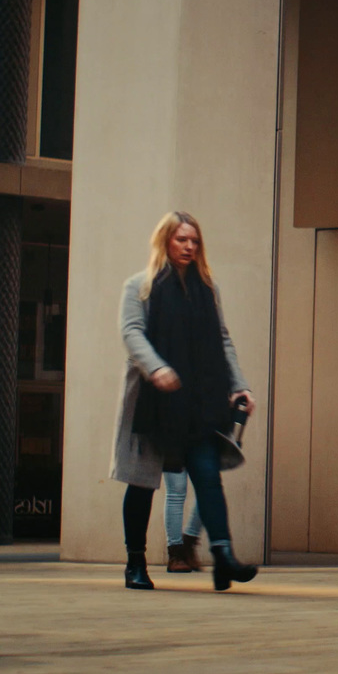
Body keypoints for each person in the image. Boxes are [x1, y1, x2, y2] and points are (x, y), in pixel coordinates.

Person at [110, 211, 259, 592]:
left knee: (208, 477)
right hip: (153, 401)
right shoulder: (139, 286)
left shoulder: (207, 288)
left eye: (194, 241)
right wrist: (156, 368)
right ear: (165, 241)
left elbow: (223, 339)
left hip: (199, 399)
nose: (189, 246)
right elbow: (131, 332)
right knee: (143, 482)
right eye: (182, 240)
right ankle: (135, 563)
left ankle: (222, 557)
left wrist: (239, 385)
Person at [164, 470, 203, 572]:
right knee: (176, 490)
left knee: (208, 488)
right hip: (172, 453)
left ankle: (188, 543)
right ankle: (175, 553)